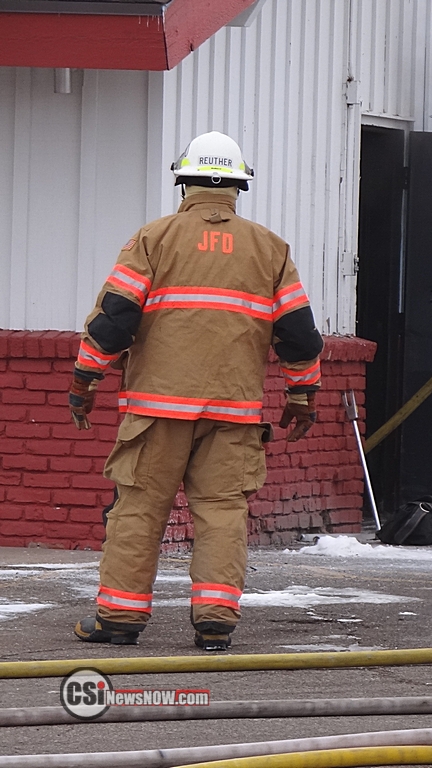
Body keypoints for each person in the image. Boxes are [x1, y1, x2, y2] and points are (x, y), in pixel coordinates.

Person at [69, 131, 324, 650]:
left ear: (184, 182)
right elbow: (298, 333)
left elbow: (115, 319)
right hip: (233, 413)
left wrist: (85, 379)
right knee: (223, 514)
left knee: (139, 511)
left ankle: (119, 619)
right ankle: (215, 621)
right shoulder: (270, 249)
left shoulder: (154, 239)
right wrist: (301, 394)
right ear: (237, 187)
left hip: (156, 412)